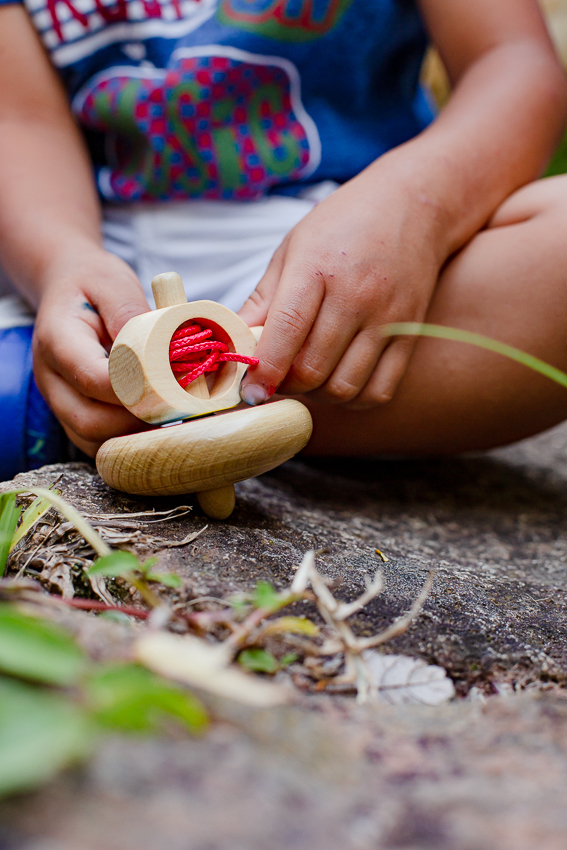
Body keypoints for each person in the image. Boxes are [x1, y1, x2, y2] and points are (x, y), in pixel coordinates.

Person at [0, 0, 567, 480]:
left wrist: (418, 206)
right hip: (91, 260)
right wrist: (60, 260)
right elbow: (21, 121)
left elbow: (510, 62)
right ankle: (104, 388)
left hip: (353, 271)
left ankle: (112, 413)